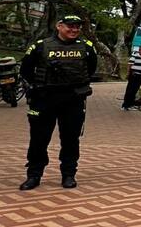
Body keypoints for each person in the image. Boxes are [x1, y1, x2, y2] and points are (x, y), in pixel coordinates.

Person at [19, 14, 98, 190]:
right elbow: (26, 70)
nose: (74, 30)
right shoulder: (40, 46)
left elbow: (91, 68)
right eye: (70, 26)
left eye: (77, 27)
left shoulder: (87, 47)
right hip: (44, 99)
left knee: (71, 139)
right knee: (39, 139)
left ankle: (68, 175)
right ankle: (34, 175)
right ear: (59, 26)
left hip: (73, 99)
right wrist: (39, 86)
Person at [121, 44, 141, 110]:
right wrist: (128, 74)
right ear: (140, 49)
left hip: (140, 76)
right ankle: (125, 105)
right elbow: (130, 65)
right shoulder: (134, 56)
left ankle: (131, 104)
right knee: (130, 90)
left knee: (135, 91)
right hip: (134, 75)